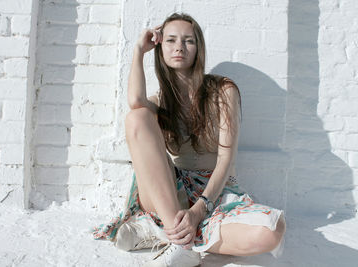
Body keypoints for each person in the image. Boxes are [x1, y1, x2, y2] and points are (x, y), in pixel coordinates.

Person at [93, 13, 286, 267]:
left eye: (188, 41)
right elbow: (135, 102)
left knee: (272, 230)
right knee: (136, 118)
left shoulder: (223, 90)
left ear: (199, 49)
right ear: (160, 48)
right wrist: (139, 50)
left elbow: (226, 159)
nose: (179, 47)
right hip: (171, 193)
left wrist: (199, 210)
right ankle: (181, 242)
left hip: (215, 193)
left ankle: (165, 234)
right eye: (171, 40)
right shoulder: (162, 100)